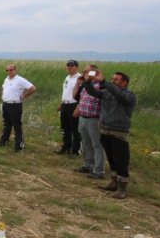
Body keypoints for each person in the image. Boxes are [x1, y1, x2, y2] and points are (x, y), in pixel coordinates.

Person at [83, 70, 136, 199]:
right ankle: (114, 182)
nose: (113, 81)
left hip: (118, 132)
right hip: (105, 129)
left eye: (116, 79)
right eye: (112, 79)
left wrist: (104, 82)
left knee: (121, 160)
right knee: (111, 158)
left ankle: (122, 188)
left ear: (124, 83)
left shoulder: (129, 95)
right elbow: (93, 93)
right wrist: (87, 82)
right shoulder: (107, 91)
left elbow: (119, 95)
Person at [73, 64, 105, 179]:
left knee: (97, 145)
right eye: (84, 71)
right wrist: (78, 82)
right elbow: (76, 96)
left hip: (94, 119)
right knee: (86, 144)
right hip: (83, 118)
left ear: (94, 73)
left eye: (87, 72)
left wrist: (100, 79)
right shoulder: (85, 85)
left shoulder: (100, 86)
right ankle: (88, 165)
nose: (84, 73)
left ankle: (99, 170)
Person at [0, 64, 36, 152]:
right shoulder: (6, 79)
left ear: (15, 70)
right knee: (7, 124)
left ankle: (19, 144)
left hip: (15, 105)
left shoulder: (20, 80)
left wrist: (24, 95)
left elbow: (32, 88)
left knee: (17, 125)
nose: (9, 72)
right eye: (7, 70)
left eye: (11, 70)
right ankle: (4, 140)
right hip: (6, 104)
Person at [56, 60, 82, 155]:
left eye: (72, 65)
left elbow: (81, 95)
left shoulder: (79, 78)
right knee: (65, 128)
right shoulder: (67, 77)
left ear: (76, 67)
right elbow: (65, 92)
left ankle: (76, 150)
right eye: (68, 65)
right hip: (65, 105)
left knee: (75, 128)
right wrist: (61, 103)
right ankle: (66, 147)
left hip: (74, 105)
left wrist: (78, 108)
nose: (69, 67)